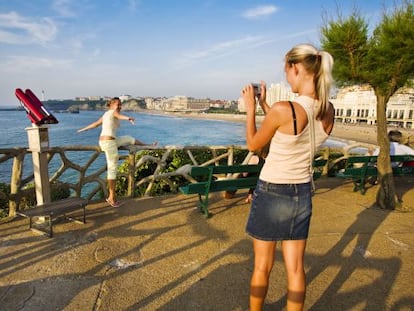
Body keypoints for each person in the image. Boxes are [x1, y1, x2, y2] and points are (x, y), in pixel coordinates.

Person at [242, 43, 334, 311]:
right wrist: (265, 106)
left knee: (263, 266)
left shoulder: (285, 110)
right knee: (295, 269)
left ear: (296, 68)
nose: (286, 77)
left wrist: (250, 109)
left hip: (272, 192)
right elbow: (291, 129)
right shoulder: (328, 109)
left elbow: (254, 145)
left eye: (287, 71)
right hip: (302, 192)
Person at [77, 97, 157, 207]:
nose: (119, 106)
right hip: (109, 143)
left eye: (120, 105)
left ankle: (148, 145)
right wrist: (128, 118)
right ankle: (111, 198)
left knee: (129, 138)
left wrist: (83, 129)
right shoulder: (113, 112)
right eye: (117, 104)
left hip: (109, 141)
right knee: (112, 170)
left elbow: (95, 124)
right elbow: (119, 116)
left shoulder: (106, 114)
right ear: (111, 105)